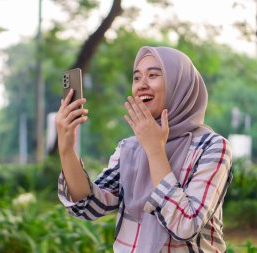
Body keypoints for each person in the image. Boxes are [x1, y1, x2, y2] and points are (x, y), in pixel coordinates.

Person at [55, 46, 233, 253]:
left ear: (179, 83)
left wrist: (155, 150)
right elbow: (88, 205)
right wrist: (66, 148)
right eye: (137, 77)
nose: (142, 85)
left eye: (153, 75)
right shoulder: (129, 147)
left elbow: (185, 226)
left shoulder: (212, 147)